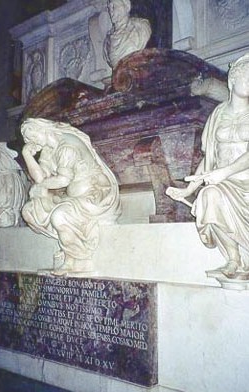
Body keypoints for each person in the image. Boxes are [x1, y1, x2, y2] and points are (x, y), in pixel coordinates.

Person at [166, 53, 249, 279]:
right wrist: (189, 190)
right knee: (209, 196)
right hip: (220, 182)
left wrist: (224, 173)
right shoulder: (218, 114)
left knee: (214, 191)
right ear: (233, 80)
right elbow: (209, 158)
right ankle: (233, 259)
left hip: (244, 184)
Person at [21, 118, 121, 274]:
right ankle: (70, 244)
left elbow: (62, 180)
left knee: (59, 216)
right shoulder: (49, 148)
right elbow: (40, 178)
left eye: (32, 135)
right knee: (30, 210)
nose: (30, 141)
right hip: (71, 198)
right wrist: (26, 154)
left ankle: (78, 258)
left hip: (94, 196)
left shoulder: (66, 146)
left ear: (43, 128)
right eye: (27, 139)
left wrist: (41, 186)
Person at [104, 0, 151, 68]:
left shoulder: (141, 28)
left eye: (114, 6)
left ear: (127, 6)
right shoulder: (107, 41)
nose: (111, 10)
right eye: (109, 7)